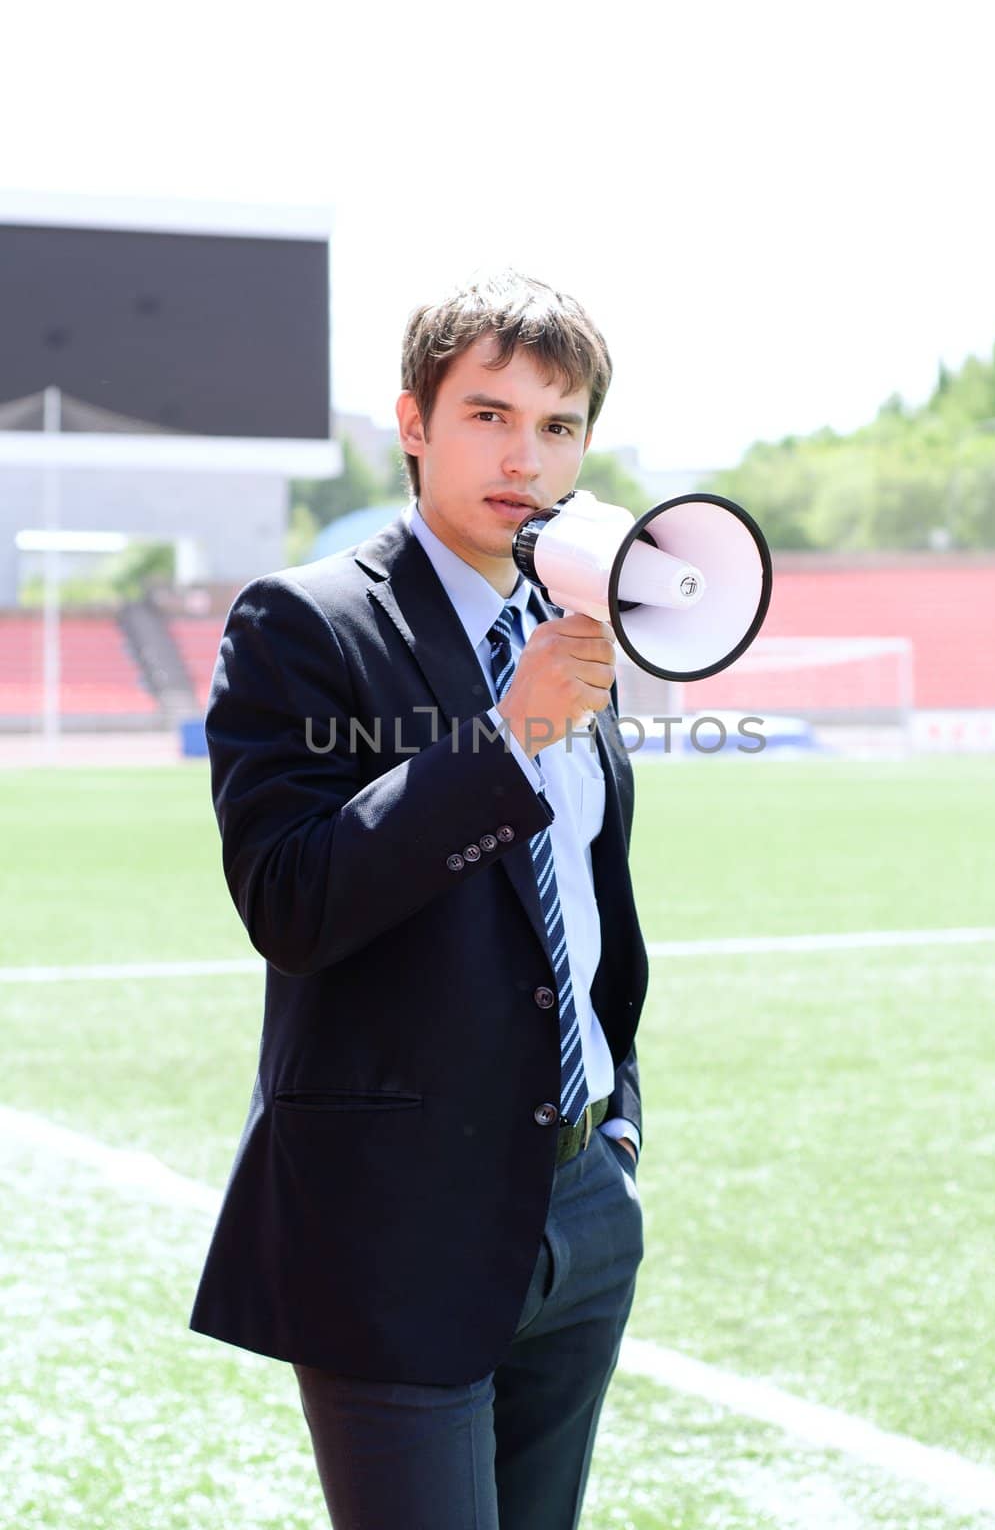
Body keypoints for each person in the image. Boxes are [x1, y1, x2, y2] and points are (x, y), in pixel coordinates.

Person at [190, 269, 649, 1529]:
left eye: (558, 427)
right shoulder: (306, 622)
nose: (525, 456)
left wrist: (616, 1134)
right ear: (413, 422)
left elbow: (586, 908)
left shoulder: (577, 626)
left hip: (578, 1208)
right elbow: (290, 898)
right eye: (489, 415)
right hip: (395, 1222)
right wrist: (503, 744)